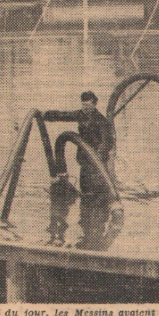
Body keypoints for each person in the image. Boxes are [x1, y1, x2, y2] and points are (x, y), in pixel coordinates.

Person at [43, 91, 114, 249]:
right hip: (84, 160)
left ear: (94, 104)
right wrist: (47, 115)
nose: (85, 108)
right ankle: (85, 220)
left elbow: (107, 142)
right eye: (83, 105)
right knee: (85, 190)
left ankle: (95, 225)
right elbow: (64, 115)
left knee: (96, 191)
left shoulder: (101, 121)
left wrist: (98, 157)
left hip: (96, 163)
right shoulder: (81, 115)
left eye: (88, 105)